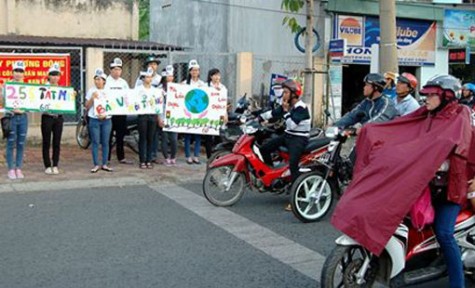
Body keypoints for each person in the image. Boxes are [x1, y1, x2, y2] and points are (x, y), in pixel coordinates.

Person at [331, 75, 471, 288]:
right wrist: (369, 131)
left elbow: (462, 150)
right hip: (424, 185)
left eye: (433, 95)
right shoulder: (427, 114)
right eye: (427, 95)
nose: (427, 99)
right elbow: (400, 127)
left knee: (444, 233)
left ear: (447, 96)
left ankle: (457, 283)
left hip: (448, 190)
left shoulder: (461, 117)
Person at [259, 79, 311, 210]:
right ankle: (272, 176)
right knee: (265, 148)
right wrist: (258, 117)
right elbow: (273, 114)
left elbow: (292, 124)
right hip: (288, 136)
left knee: (293, 165)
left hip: (299, 139)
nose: (284, 95)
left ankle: (297, 196)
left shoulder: (302, 108)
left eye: (286, 92)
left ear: (294, 94)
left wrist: (286, 112)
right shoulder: (287, 105)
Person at [85, 68, 113, 173]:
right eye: (96, 79)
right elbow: (87, 106)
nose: (97, 81)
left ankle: (105, 163)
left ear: (104, 81)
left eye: (100, 79)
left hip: (106, 119)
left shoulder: (109, 91)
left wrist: (105, 114)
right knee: (95, 142)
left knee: (106, 142)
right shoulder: (91, 91)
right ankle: (96, 163)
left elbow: (113, 106)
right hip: (94, 119)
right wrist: (92, 98)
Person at [106, 58, 132, 165]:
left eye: (119, 69)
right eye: (115, 69)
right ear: (110, 70)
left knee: (120, 136)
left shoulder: (124, 83)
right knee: (108, 136)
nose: (117, 72)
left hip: (121, 114)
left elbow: (128, 97)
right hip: (109, 114)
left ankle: (121, 157)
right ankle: (106, 158)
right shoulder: (106, 82)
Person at [5, 61, 28, 179]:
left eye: (21, 71)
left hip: (23, 118)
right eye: (16, 71)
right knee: (10, 143)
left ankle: (18, 168)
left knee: (21, 144)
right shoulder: (7, 86)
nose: (18, 74)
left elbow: (32, 104)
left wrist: (24, 110)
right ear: (12, 72)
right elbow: (3, 103)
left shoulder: (28, 88)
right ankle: (10, 168)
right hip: (11, 118)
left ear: (24, 73)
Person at [136, 67, 163, 169]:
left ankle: (149, 159)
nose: (149, 79)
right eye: (147, 77)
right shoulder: (138, 90)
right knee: (142, 138)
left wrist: (159, 117)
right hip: (142, 115)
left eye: (150, 77)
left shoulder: (156, 91)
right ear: (143, 79)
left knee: (150, 138)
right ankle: (142, 160)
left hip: (152, 116)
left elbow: (159, 104)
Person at [41, 63, 64, 175]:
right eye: (53, 75)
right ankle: (47, 165)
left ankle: (55, 164)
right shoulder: (43, 88)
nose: (55, 77)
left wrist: (71, 96)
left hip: (58, 118)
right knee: (46, 141)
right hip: (47, 117)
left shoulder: (62, 89)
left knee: (57, 142)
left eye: (57, 75)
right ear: (48, 76)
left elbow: (67, 102)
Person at [182, 59, 206, 164]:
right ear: (190, 71)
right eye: (193, 70)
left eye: (197, 70)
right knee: (187, 136)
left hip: (199, 113)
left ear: (199, 71)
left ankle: (196, 156)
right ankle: (188, 156)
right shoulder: (184, 84)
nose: (195, 72)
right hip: (188, 112)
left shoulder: (203, 84)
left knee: (197, 135)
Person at [204, 68, 227, 159]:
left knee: (218, 136)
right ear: (210, 77)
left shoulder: (222, 87)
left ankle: (218, 156)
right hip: (207, 115)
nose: (217, 77)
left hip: (218, 114)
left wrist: (225, 114)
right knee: (208, 137)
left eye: (218, 75)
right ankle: (209, 157)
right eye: (215, 75)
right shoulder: (206, 86)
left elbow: (224, 102)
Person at [160, 65, 178, 166]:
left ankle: (173, 157)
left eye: (172, 76)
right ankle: (166, 157)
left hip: (174, 118)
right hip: (163, 117)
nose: (170, 78)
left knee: (174, 139)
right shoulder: (160, 89)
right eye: (168, 76)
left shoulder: (177, 88)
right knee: (164, 138)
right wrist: (160, 118)